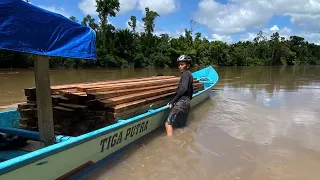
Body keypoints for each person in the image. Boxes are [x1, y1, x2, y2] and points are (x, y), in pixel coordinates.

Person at [165, 55, 193, 136]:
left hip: (182, 102)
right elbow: (190, 93)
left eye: (182, 64)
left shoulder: (185, 74)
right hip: (187, 103)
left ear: (187, 65)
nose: (180, 66)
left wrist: (172, 101)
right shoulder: (190, 75)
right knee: (181, 126)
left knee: (168, 123)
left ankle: (170, 145)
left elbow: (184, 88)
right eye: (179, 65)